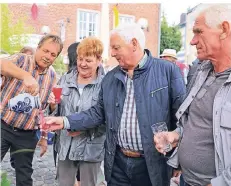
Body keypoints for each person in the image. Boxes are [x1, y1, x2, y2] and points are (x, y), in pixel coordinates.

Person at [45, 23, 186, 186]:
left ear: (134, 44)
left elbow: (182, 117)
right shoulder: (111, 78)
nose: (111, 53)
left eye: (116, 48)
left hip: (152, 163)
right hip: (118, 163)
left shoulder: (167, 71)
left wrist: (178, 157)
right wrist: (65, 121)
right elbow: (98, 113)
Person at [154, 4, 231, 186]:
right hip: (186, 180)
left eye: (199, 32)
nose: (192, 41)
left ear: (224, 30)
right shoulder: (200, 71)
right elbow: (198, 123)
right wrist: (175, 136)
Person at [0, 34, 63, 186]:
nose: (48, 56)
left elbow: (44, 111)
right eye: (45, 51)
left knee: (24, 176)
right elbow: (2, 64)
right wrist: (25, 76)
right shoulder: (22, 60)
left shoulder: (52, 76)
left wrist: (53, 104)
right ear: (38, 48)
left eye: (53, 54)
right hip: (3, 126)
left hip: (27, 135)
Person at [48, 37, 106, 186]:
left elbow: (107, 118)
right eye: (80, 59)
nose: (82, 64)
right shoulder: (66, 79)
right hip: (65, 145)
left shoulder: (105, 84)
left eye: (88, 60)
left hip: (90, 148)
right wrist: (53, 105)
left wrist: (82, 128)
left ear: (98, 60)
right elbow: (56, 113)